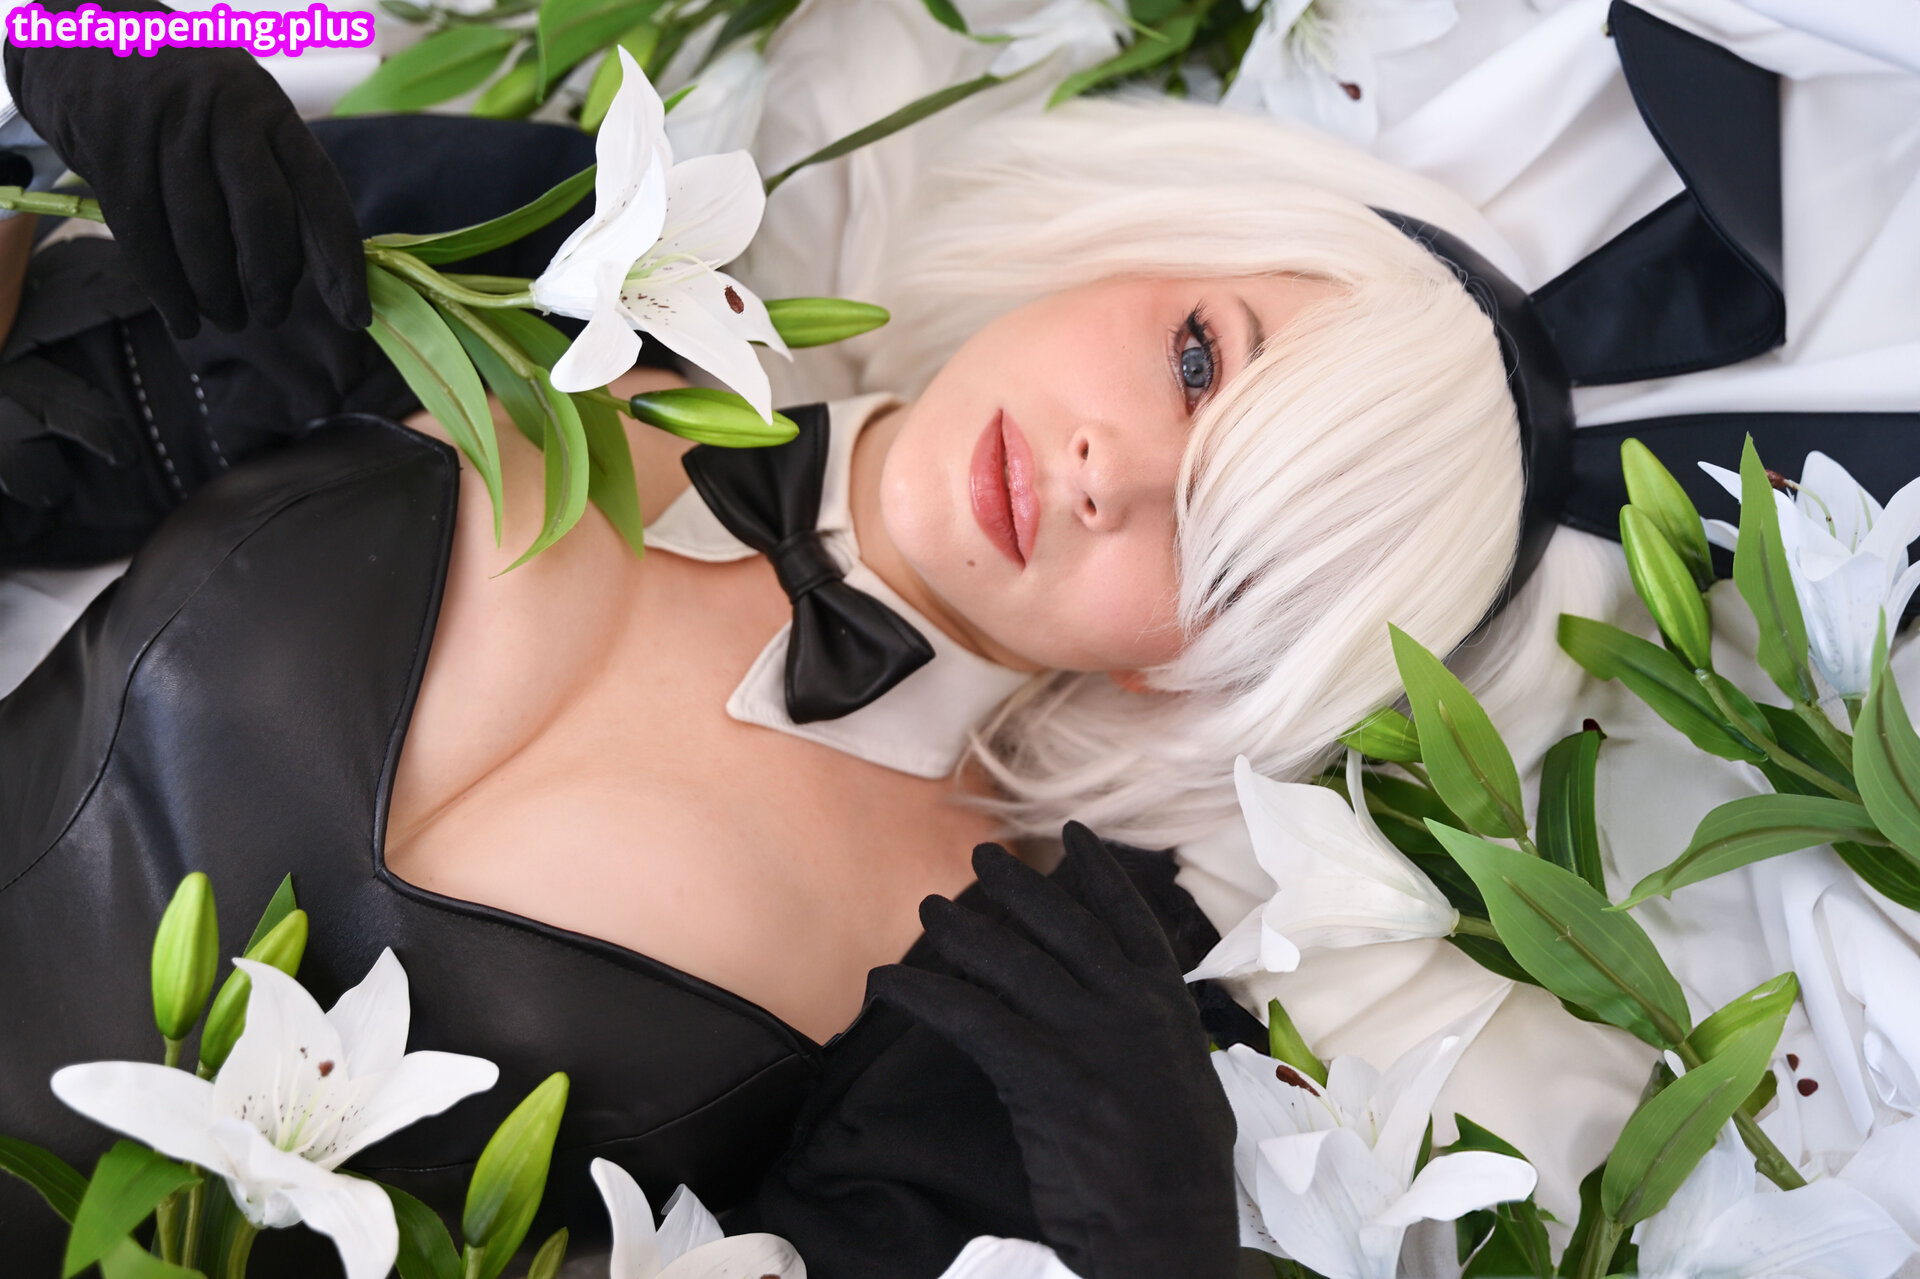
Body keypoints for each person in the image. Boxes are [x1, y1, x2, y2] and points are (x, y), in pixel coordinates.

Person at [3, 0, 1910, 1273]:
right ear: (1145, 242)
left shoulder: (1042, 982)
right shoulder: (581, 258)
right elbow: (76, 46)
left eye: (1223, 552)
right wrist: (118, 60)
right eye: (1197, 361)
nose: (1108, 475)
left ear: (1207, 675)